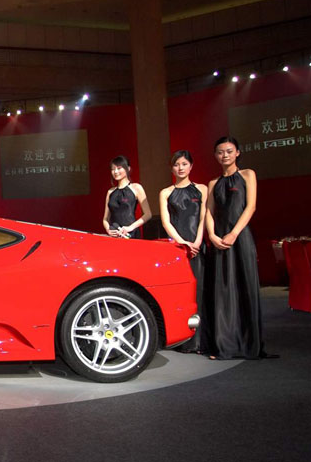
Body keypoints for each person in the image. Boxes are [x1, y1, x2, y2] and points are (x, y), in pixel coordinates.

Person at [205, 136, 272, 360]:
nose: (225, 155)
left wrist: (234, 233)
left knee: (245, 288)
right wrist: (212, 235)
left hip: (240, 238)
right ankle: (225, 345)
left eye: (229, 151)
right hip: (219, 240)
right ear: (215, 155)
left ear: (237, 153)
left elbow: (250, 206)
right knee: (222, 293)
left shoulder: (247, 175)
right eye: (220, 152)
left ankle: (249, 345)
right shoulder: (213, 183)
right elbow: (209, 212)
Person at [159, 150, 208, 353]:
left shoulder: (202, 189)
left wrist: (197, 241)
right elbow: (166, 221)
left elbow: (204, 216)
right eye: (176, 164)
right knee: (181, 293)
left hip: (198, 245)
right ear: (172, 168)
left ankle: (202, 339)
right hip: (178, 248)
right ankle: (183, 340)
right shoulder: (166, 192)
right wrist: (182, 243)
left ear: (191, 166)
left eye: (184, 164)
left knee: (200, 291)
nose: (180, 168)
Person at [102, 155, 152, 239]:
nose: (116, 171)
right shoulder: (110, 192)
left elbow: (148, 214)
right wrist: (108, 229)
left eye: (119, 168)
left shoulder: (136, 188)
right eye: (113, 169)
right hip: (115, 234)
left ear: (128, 169)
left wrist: (130, 228)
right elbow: (105, 219)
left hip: (130, 234)